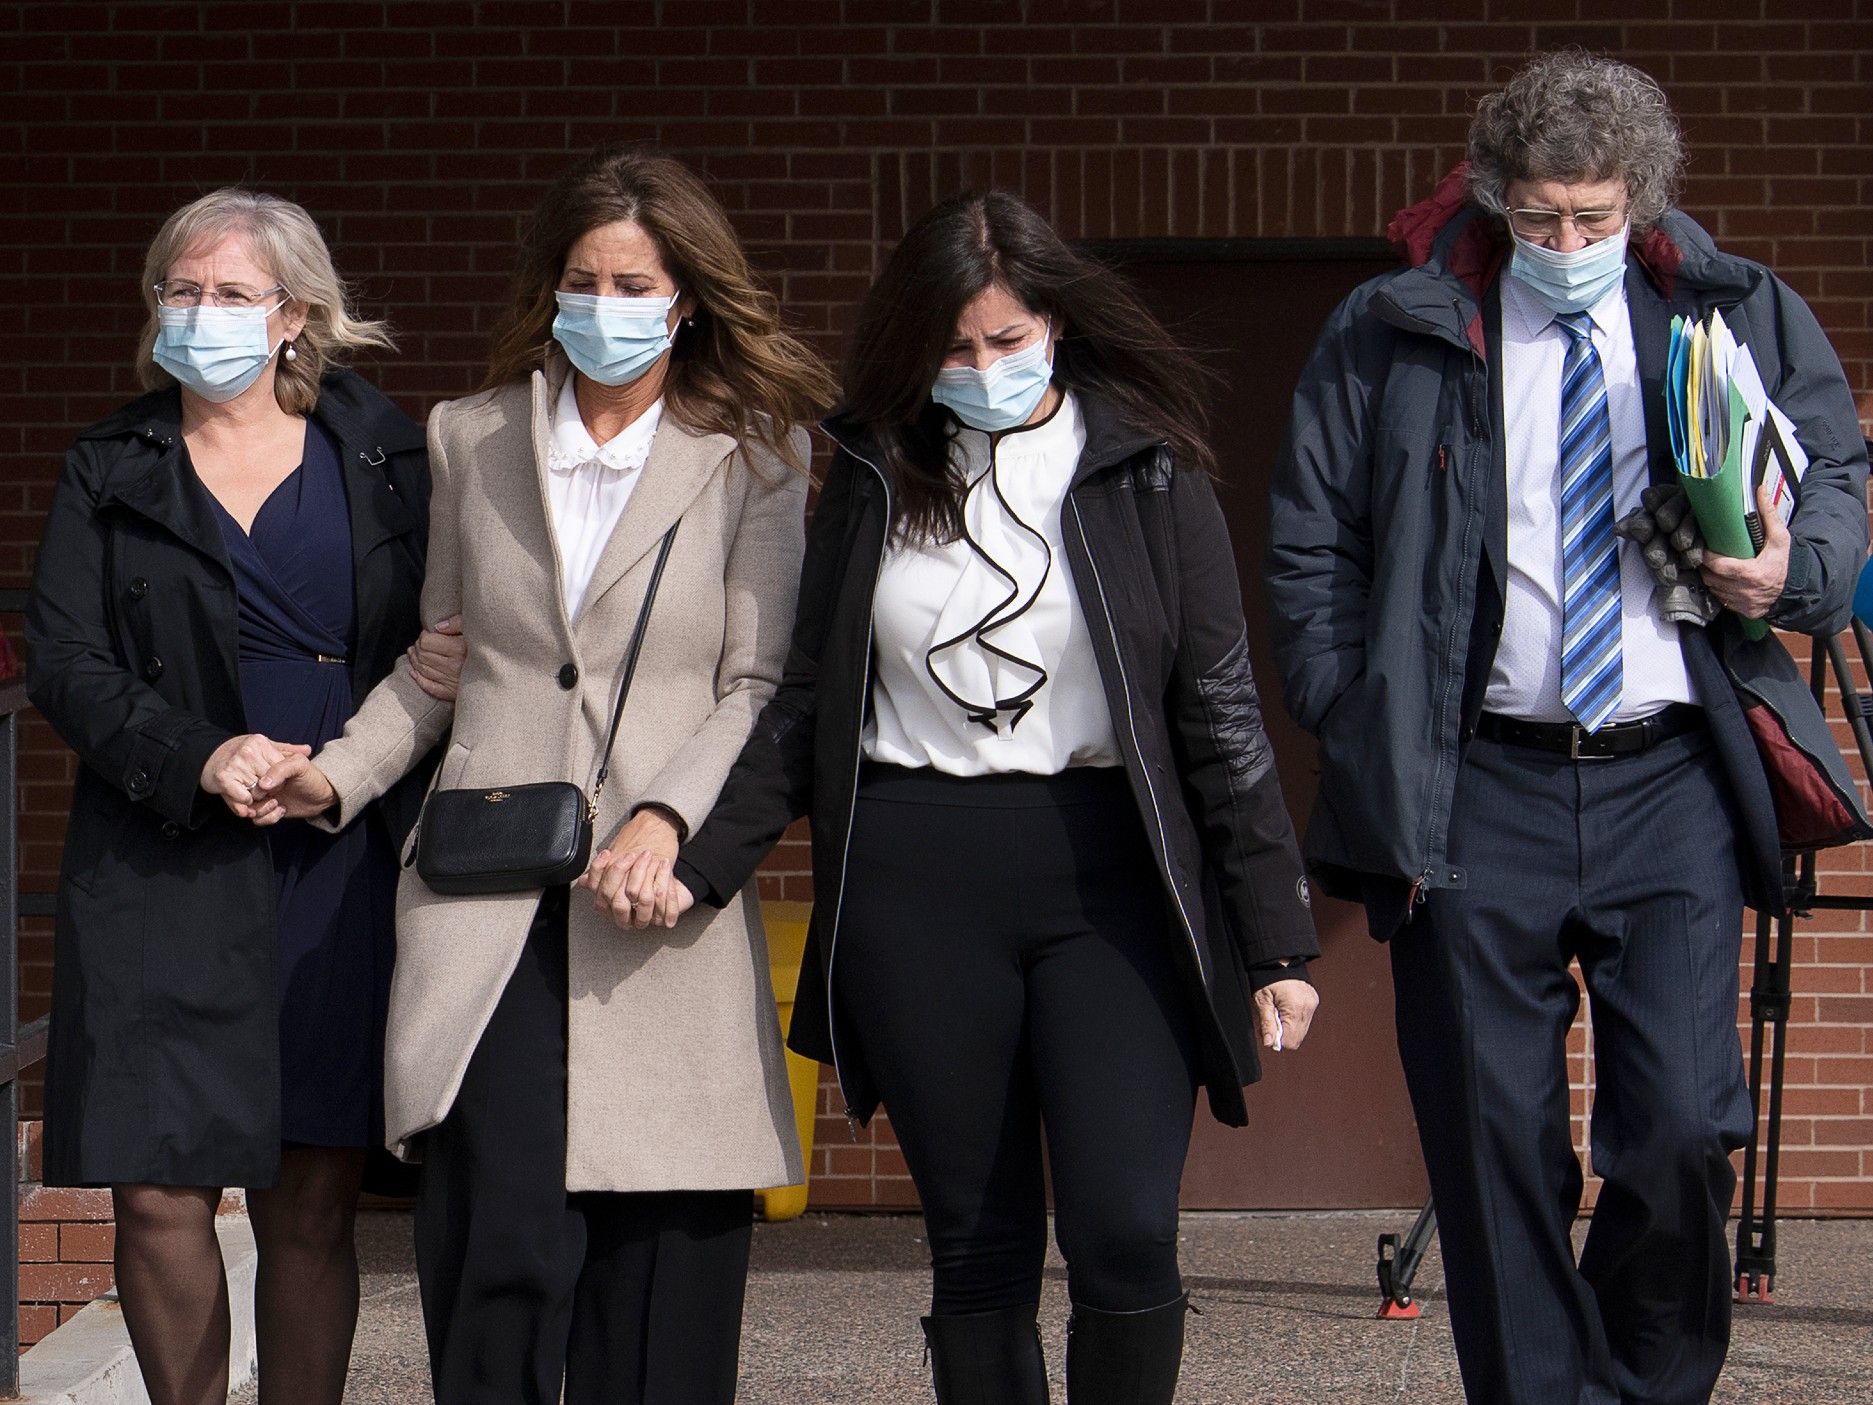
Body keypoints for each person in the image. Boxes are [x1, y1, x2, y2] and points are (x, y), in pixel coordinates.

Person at [634, 190, 1321, 1405]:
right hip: (918, 880)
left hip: (1109, 875)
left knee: (1121, 1230)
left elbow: (1219, 716)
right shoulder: (864, 468)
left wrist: (1274, 937)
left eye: (1007, 340)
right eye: (954, 349)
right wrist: (702, 853)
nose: (983, 367)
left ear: (1055, 324)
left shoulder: (1145, 473)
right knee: (978, 1244)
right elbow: (809, 698)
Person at [1268, 51, 1870, 1405]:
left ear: (1639, 201)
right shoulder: (1396, 326)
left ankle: (1647, 1389)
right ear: (1493, 201)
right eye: (1539, 219)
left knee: (1674, 1134)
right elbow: (1312, 542)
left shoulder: (1730, 310)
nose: (1566, 245)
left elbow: (1835, 473)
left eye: (1593, 218)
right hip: (1474, 781)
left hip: (1671, 769)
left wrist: (1792, 575)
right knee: (1492, 1142)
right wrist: (1356, 716)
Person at [255, 146, 838, 1405]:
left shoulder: (755, 453)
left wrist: (669, 818)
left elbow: (757, 683)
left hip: (654, 899)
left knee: (658, 1279)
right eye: (584, 278)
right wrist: (336, 775)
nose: (605, 304)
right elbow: (442, 664)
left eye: (636, 281)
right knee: (498, 1256)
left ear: (685, 298)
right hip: (485, 894)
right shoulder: (470, 437)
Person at [25, 189, 465, 1405]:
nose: (200, 313)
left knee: (310, 1189)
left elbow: (455, 622)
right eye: (181, 289)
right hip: (156, 843)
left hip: (334, 838)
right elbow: (64, 658)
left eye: (230, 293)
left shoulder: (390, 455)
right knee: (156, 1184)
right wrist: (193, 753)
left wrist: (418, 684)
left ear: (296, 315)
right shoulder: (111, 463)